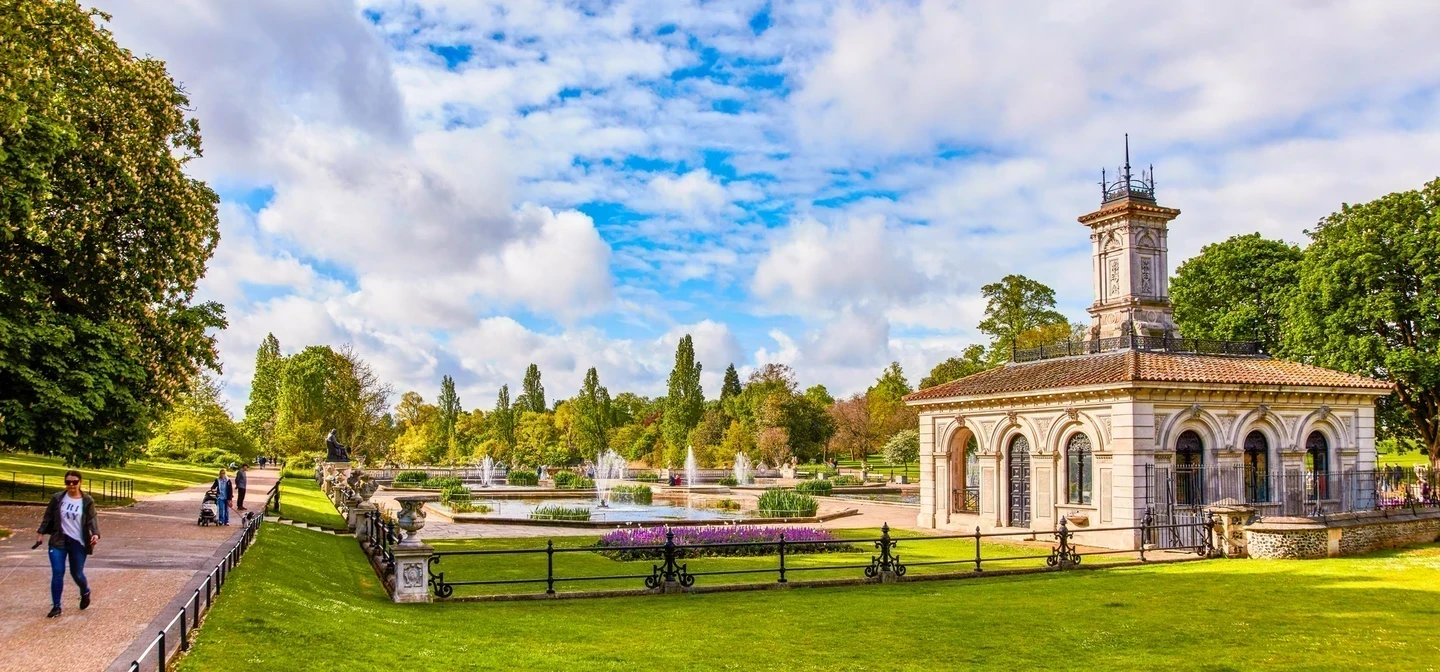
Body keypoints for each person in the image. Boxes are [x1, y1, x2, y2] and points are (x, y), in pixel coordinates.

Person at [36, 470, 99, 618]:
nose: (71, 485)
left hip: (78, 542)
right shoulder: (57, 498)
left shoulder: (87, 500)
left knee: (76, 573)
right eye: (68, 482)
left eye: (74, 482)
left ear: (80, 483)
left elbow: (92, 519)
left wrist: (95, 533)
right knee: (58, 572)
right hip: (58, 540)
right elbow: (48, 517)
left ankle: (85, 591)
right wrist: (40, 533)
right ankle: (56, 606)